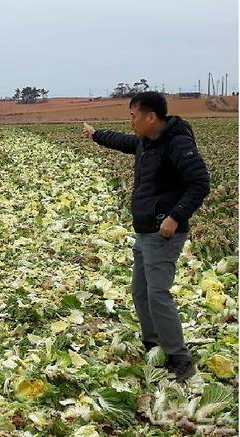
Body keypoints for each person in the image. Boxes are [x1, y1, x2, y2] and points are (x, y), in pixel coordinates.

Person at [82, 92, 210, 382]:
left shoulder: (177, 143)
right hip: (145, 232)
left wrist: (175, 217)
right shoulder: (146, 141)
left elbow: (200, 182)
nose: (131, 122)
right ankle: (154, 346)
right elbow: (124, 142)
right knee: (140, 291)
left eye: (133, 116)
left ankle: (180, 358)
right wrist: (95, 135)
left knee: (157, 294)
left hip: (163, 233)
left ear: (151, 117)